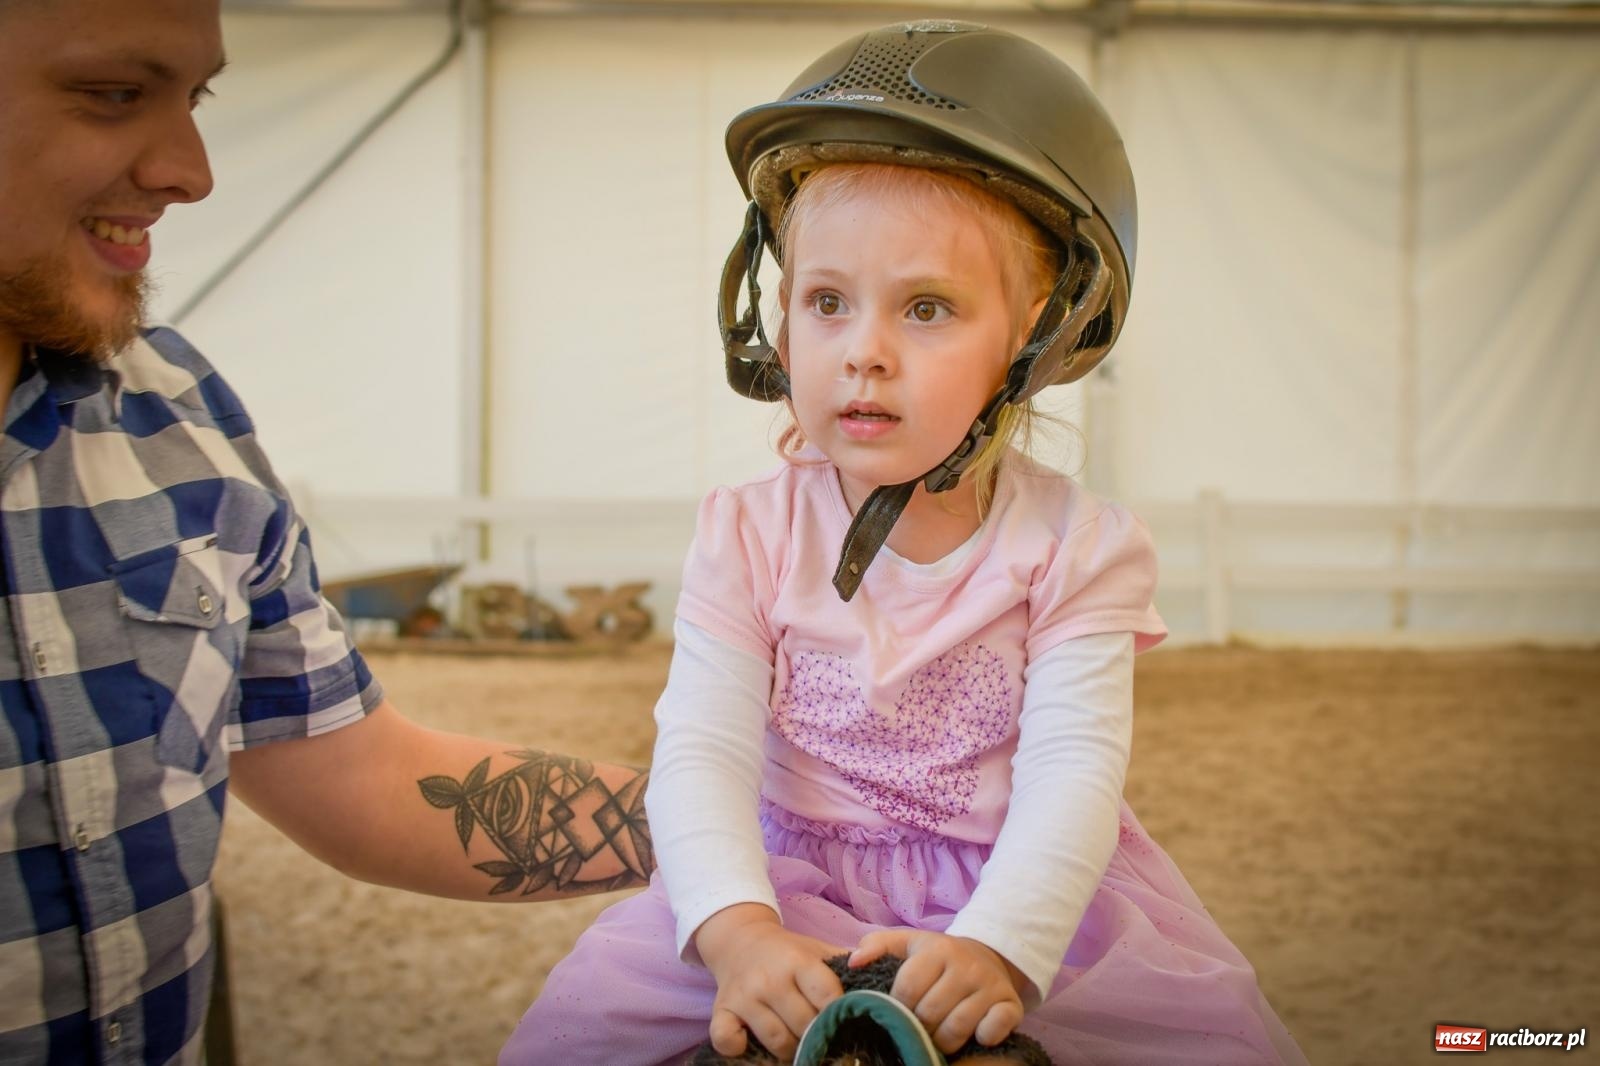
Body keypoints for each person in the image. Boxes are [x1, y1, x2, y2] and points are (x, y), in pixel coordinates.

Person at [502, 20, 1309, 1066]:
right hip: (776, 881)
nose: (864, 353)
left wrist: (1002, 946)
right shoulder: (748, 531)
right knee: (564, 1042)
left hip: (1007, 889)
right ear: (776, 314)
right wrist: (735, 930)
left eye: (925, 307)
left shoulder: (1077, 548)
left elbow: (1073, 773)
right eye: (826, 302)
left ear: (1034, 332)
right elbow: (701, 747)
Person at [0, 2, 652, 1062]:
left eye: (195, 98)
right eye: (115, 93)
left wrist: (736, 830)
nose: (190, 169)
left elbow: (364, 780)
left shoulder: (178, 414)